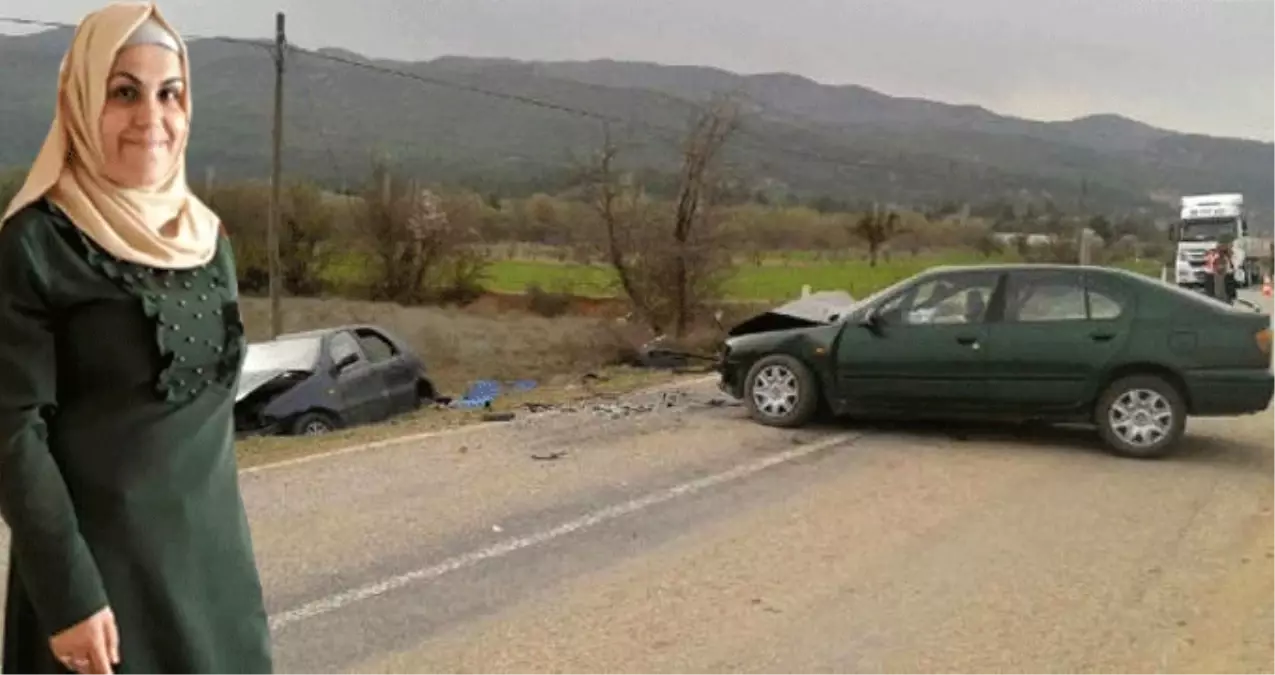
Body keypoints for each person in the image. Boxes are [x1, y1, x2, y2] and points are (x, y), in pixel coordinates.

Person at [0, 3, 273, 673]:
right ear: (81, 100)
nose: (151, 117)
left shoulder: (207, 241)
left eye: (169, 93)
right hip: (100, 589)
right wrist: (67, 595)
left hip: (214, 576)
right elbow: (11, 428)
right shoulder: (37, 243)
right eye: (124, 92)